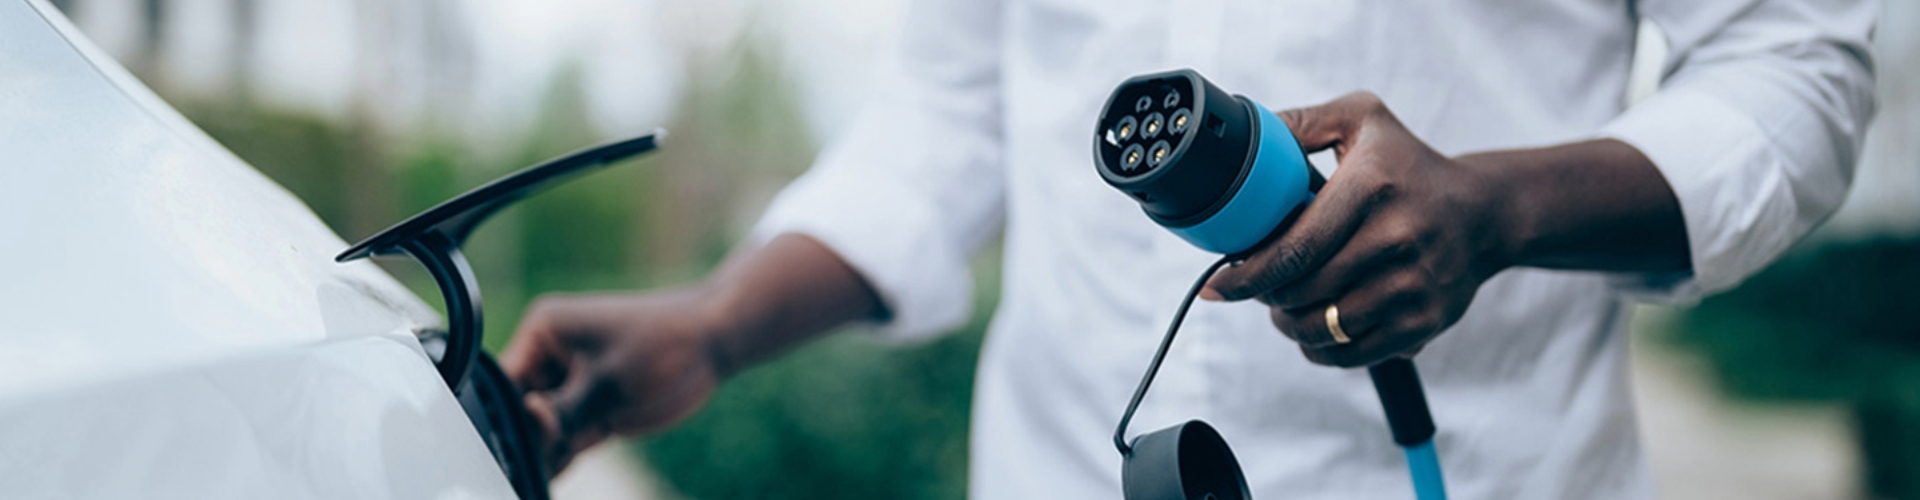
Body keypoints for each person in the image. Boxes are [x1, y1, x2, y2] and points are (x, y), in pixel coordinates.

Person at [501, 0, 1877, 497]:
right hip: (1059, 471)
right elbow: (951, 109)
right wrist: (720, 321)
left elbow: (1794, 64)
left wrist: (1497, 210)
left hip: (1491, 467)